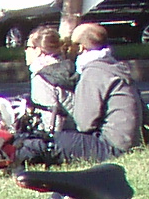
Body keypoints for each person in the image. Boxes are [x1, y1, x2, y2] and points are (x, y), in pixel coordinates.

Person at [54, 22, 143, 159]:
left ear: (80, 48)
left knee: (49, 142)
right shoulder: (114, 66)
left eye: (71, 43)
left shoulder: (94, 72)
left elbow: (84, 124)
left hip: (112, 147)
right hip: (130, 142)